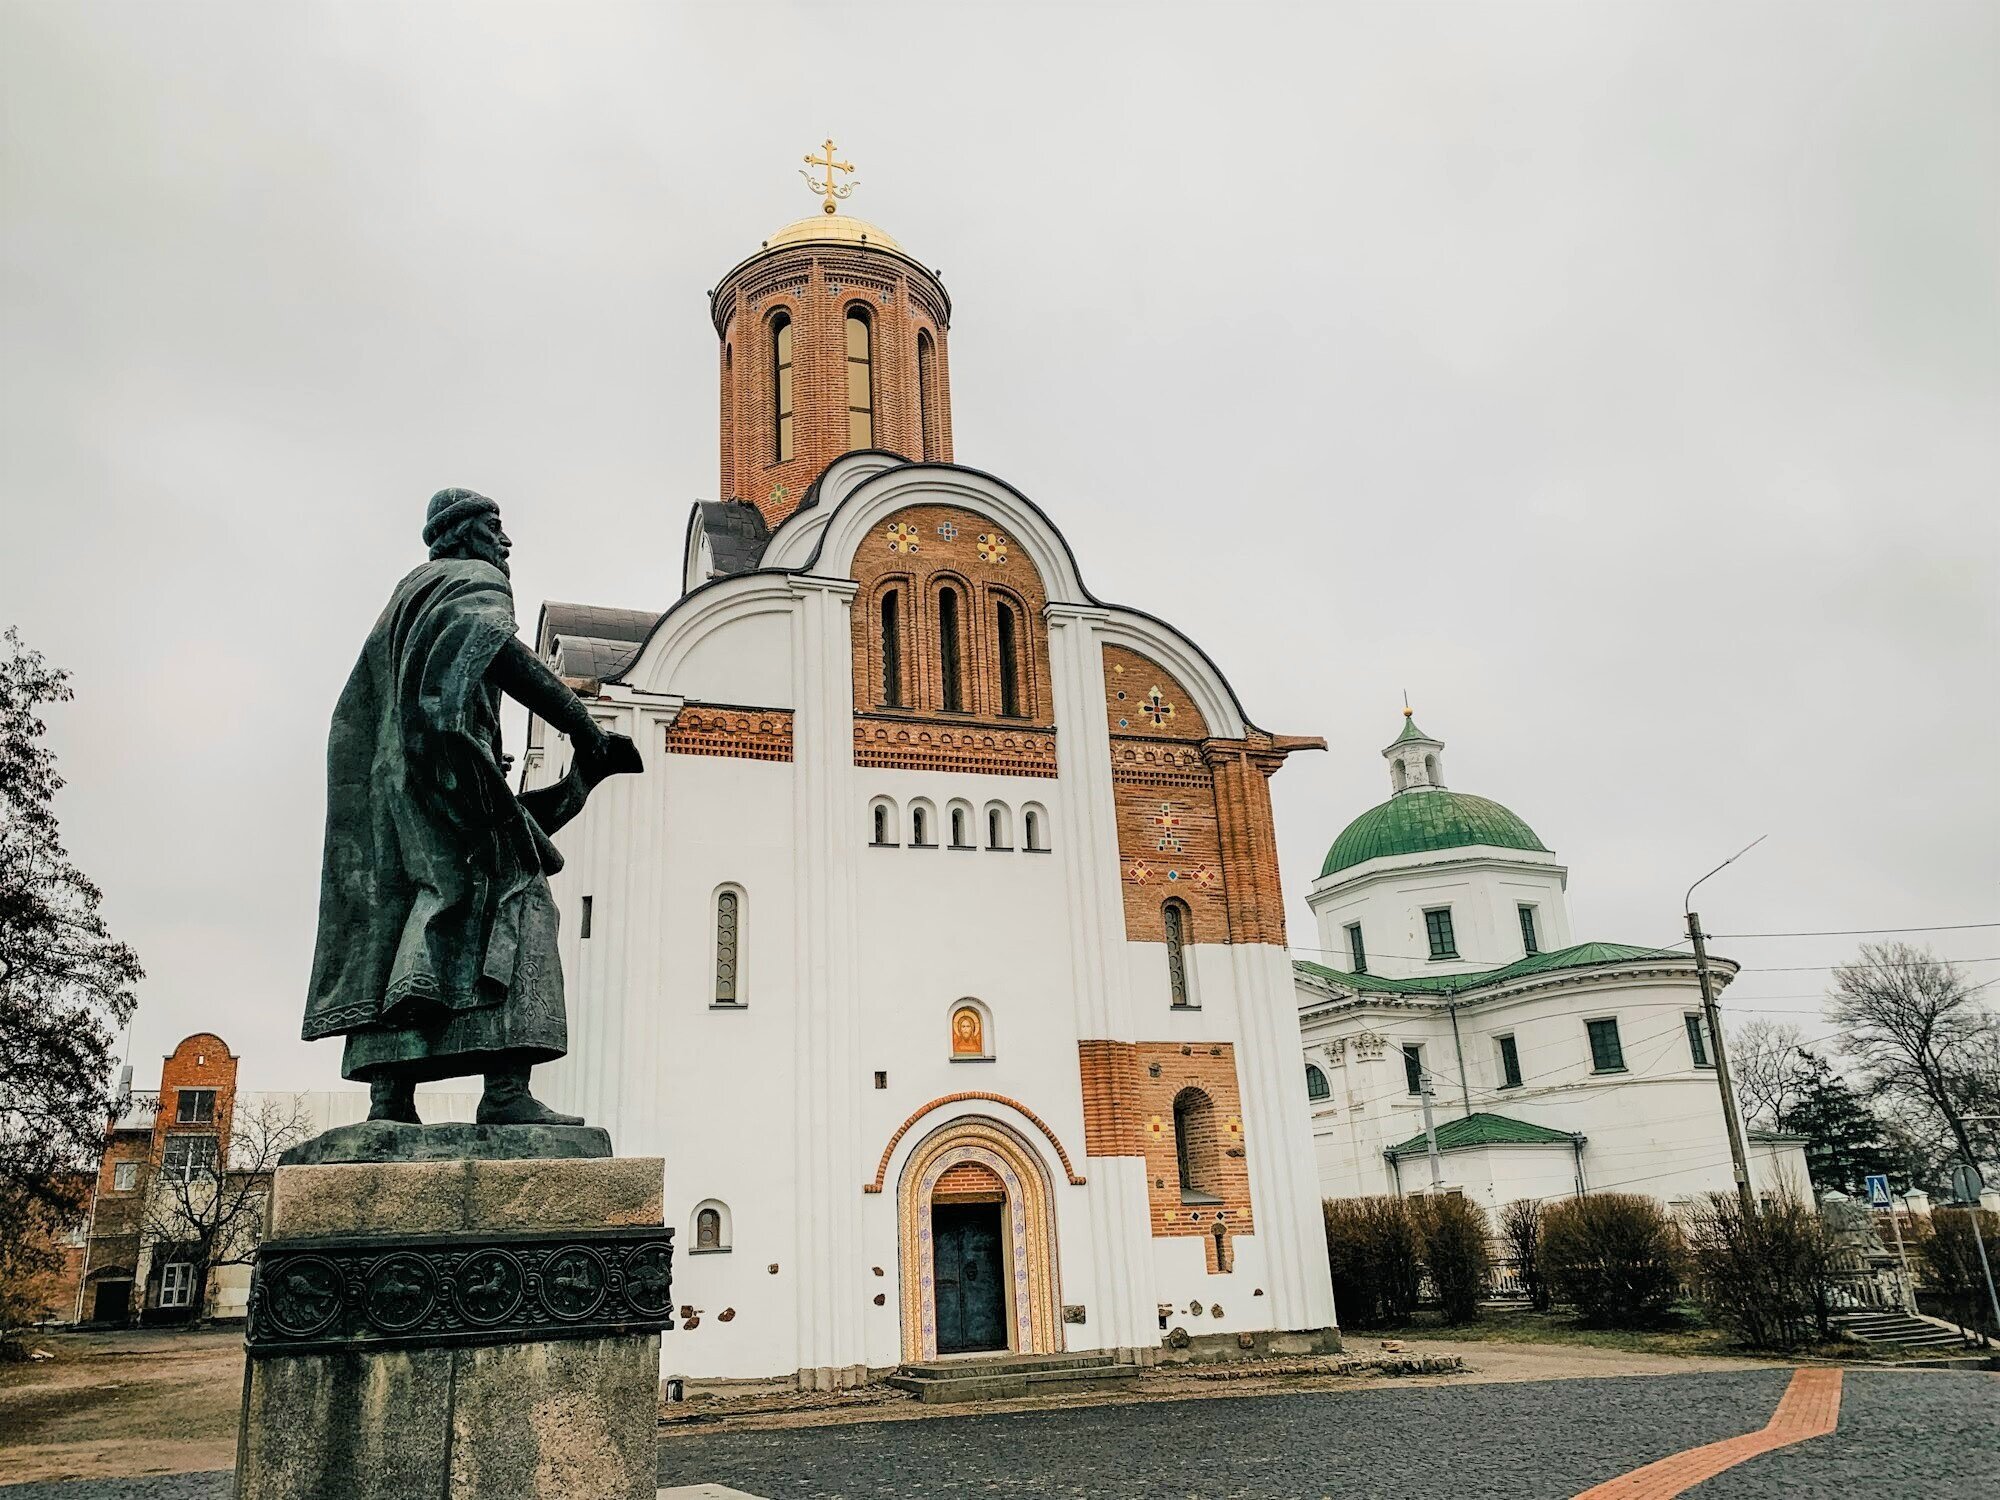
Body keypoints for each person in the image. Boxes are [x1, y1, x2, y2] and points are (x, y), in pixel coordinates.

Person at [302, 487, 640, 1126]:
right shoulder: (468, 582)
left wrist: (577, 782)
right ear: (460, 535)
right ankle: (507, 1090)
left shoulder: (403, 602)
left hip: (399, 784)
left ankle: (390, 1098)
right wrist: (585, 729)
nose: (505, 543)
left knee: (411, 909)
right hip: (441, 769)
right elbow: (508, 659)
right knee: (522, 902)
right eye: (494, 527)